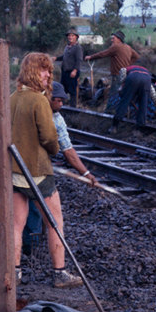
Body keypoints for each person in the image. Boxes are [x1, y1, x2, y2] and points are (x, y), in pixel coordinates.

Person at [10, 52, 82, 289]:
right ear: (33, 71)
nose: (49, 74)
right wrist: (53, 150)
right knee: (55, 222)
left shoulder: (12, 98)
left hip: (15, 171)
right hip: (39, 172)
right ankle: (59, 273)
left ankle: (15, 271)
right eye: (45, 70)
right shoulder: (39, 100)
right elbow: (50, 138)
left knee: (16, 225)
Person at [22, 82, 100, 257]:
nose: (61, 104)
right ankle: (31, 248)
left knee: (29, 204)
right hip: (31, 167)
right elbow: (68, 153)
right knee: (36, 205)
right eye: (58, 100)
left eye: (63, 101)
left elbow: (68, 150)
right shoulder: (49, 117)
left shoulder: (50, 115)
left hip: (28, 164)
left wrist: (86, 173)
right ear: (48, 98)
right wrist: (86, 174)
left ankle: (28, 247)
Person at [84, 30, 140, 111]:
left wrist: (90, 57)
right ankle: (123, 111)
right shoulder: (128, 47)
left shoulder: (116, 47)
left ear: (119, 39)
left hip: (117, 75)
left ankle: (109, 111)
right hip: (126, 74)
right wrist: (128, 65)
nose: (112, 40)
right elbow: (137, 56)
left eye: (113, 38)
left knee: (114, 93)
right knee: (123, 93)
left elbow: (102, 54)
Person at [109, 64, 156, 133]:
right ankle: (139, 130)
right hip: (146, 81)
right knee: (143, 104)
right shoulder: (147, 75)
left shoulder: (129, 68)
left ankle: (114, 127)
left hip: (133, 78)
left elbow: (122, 70)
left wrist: (122, 85)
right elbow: (154, 95)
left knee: (125, 101)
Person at [55, 28, 84, 108]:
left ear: (76, 37)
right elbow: (64, 57)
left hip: (72, 73)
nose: (70, 37)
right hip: (65, 72)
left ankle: (73, 108)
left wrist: (75, 71)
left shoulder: (78, 48)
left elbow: (79, 60)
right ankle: (62, 107)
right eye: (69, 35)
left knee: (72, 91)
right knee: (63, 90)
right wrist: (56, 58)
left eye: (72, 36)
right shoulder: (67, 46)